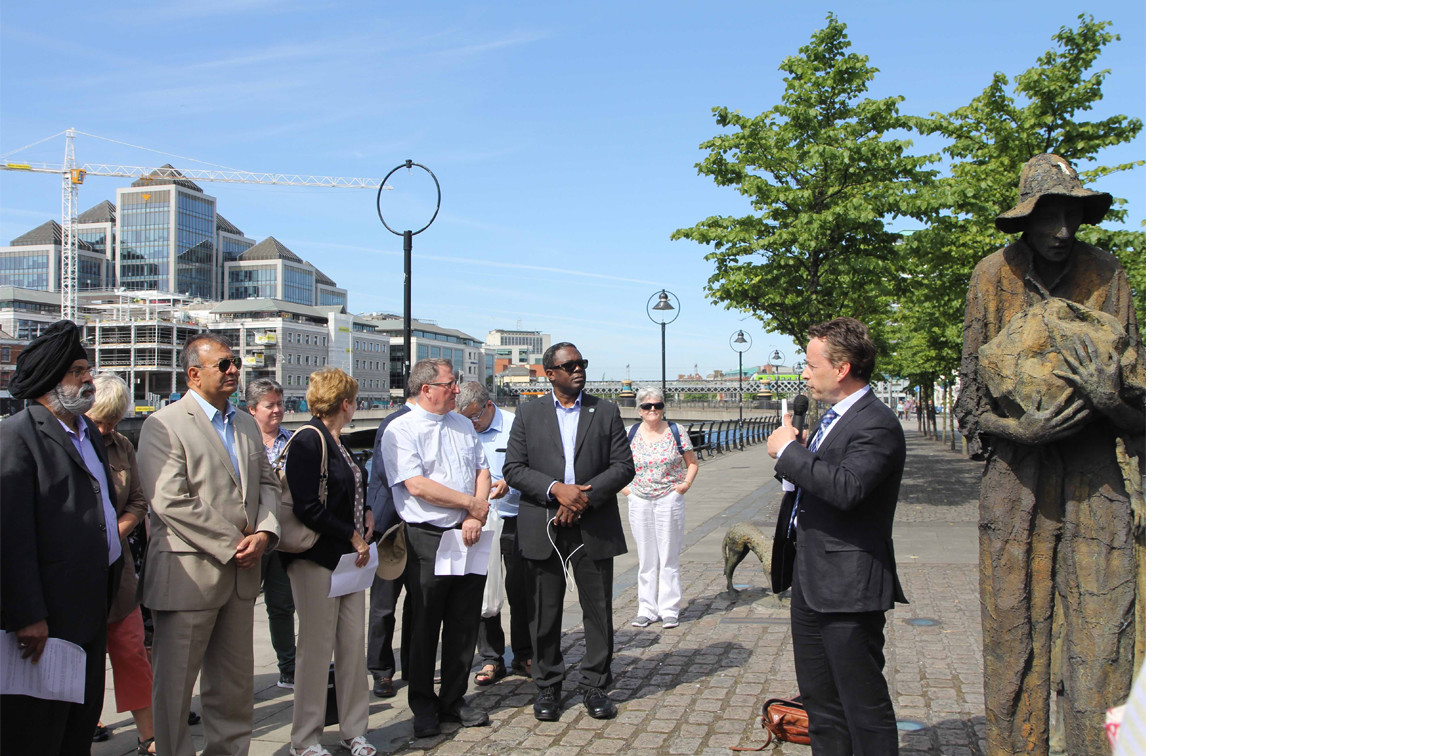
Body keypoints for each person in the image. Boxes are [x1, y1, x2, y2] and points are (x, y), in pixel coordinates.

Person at [958, 153, 1144, 756]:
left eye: (1072, 216)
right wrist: (1021, 431)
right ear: (1026, 221)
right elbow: (968, 410)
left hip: (1096, 482)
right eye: (1049, 217)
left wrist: (1107, 400)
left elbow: (1145, 414)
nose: (1063, 231)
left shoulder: (1109, 275)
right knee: (1013, 638)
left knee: (1102, 646)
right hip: (1018, 479)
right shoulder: (992, 276)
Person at [766, 317, 907, 756]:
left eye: (810, 363)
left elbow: (848, 489)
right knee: (820, 703)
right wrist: (797, 462)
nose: (803, 373)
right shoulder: (833, 419)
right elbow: (820, 483)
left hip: (849, 585)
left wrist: (788, 452)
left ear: (842, 367)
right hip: (810, 577)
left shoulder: (876, 423)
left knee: (861, 703)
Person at [136, 332, 281, 756]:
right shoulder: (163, 424)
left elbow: (268, 483)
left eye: (234, 362)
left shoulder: (243, 423)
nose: (234, 369)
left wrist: (266, 532)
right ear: (194, 374)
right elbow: (169, 500)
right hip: (189, 577)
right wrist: (235, 542)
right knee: (175, 689)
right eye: (224, 364)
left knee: (234, 689)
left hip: (241, 575)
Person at [0, 320, 124, 756]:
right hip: (47, 617)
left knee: (78, 725)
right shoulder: (17, 437)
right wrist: (27, 613)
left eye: (87, 369)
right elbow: (11, 537)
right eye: (77, 371)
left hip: (90, 608)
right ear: (51, 380)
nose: (89, 379)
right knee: (38, 731)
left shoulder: (88, 430)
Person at [503, 343, 634, 722]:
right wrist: (556, 489)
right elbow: (513, 468)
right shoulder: (528, 413)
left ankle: (595, 684)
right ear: (550, 373)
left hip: (592, 523)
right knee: (543, 611)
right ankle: (547, 685)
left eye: (582, 364)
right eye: (569, 365)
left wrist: (580, 499)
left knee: (598, 609)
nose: (578, 370)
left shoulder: (606, 411)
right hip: (544, 523)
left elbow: (623, 466)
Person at [381, 358, 492, 738]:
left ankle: (454, 699)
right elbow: (417, 485)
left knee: (464, 622)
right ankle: (424, 704)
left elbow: (482, 469)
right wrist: (470, 504)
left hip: (468, 532)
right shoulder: (401, 429)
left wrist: (475, 513)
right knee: (426, 624)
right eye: (450, 383)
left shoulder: (462, 424)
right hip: (427, 537)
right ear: (426, 388)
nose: (457, 389)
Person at [282, 368, 377, 756]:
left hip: (347, 562)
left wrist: (367, 513)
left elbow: (349, 491)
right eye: (354, 400)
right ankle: (305, 738)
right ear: (345, 403)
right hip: (317, 558)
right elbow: (307, 506)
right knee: (316, 650)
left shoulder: (340, 442)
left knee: (352, 646)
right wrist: (351, 534)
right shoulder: (309, 439)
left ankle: (354, 730)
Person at [86, 372, 159, 755]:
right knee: (85, 653)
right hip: (78, 574)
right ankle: (86, 719)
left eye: (112, 420)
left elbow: (138, 501)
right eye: (100, 419)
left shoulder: (122, 445)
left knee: (131, 650)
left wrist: (113, 531)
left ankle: (148, 734)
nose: (106, 427)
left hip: (119, 569)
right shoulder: (69, 444)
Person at [457, 382, 533, 687]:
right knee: (481, 587)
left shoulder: (517, 425)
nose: (472, 424)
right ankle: (490, 657)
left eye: (475, 418)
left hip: (513, 516)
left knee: (520, 588)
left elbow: (532, 468)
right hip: (476, 518)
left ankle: (525, 653)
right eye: (466, 419)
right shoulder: (461, 428)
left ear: (489, 406)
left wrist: (509, 485)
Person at [620, 386, 697, 629]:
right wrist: (627, 491)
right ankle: (646, 609)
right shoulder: (629, 433)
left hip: (668, 497)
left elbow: (692, 462)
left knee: (669, 555)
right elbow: (616, 466)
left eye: (657, 405)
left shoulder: (676, 431)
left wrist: (684, 485)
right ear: (639, 410)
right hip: (640, 498)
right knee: (646, 557)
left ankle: (669, 608)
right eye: (647, 406)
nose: (652, 410)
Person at [247, 378, 297, 690]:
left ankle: (288, 667)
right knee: (239, 608)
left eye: (279, 404)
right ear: (252, 410)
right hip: (249, 533)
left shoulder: (292, 440)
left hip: (284, 534)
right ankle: (237, 672)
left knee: (281, 605)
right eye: (270, 406)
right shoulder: (242, 441)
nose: (277, 410)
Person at [365, 384, 414, 698]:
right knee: (384, 606)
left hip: (422, 528)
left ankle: (413, 665)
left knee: (420, 603)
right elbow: (387, 472)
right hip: (390, 528)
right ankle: (381, 671)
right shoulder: (396, 423)